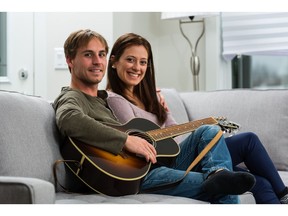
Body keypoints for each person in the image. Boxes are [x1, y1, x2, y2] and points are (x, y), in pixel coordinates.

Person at [53, 29, 256, 204]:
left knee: (209, 131)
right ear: (70, 60)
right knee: (225, 187)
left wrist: (158, 107)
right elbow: (70, 120)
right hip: (139, 176)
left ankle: (217, 172)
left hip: (149, 165)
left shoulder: (102, 99)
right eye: (88, 54)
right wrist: (126, 140)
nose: (97, 61)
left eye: (101, 54)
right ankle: (219, 178)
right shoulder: (71, 97)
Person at [105, 32, 288, 204]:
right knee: (208, 130)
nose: (137, 67)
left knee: (254, 160)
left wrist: (164, 111)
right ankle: (218, 172)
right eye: (130, 60)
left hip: (176, 155)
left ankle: (283, 196)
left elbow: (176, 138)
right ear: (113, 61)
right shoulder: (115, 100)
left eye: (143, 62)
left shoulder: (150, 98)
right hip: (160, 164)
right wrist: (165, 127)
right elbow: (145, 142)